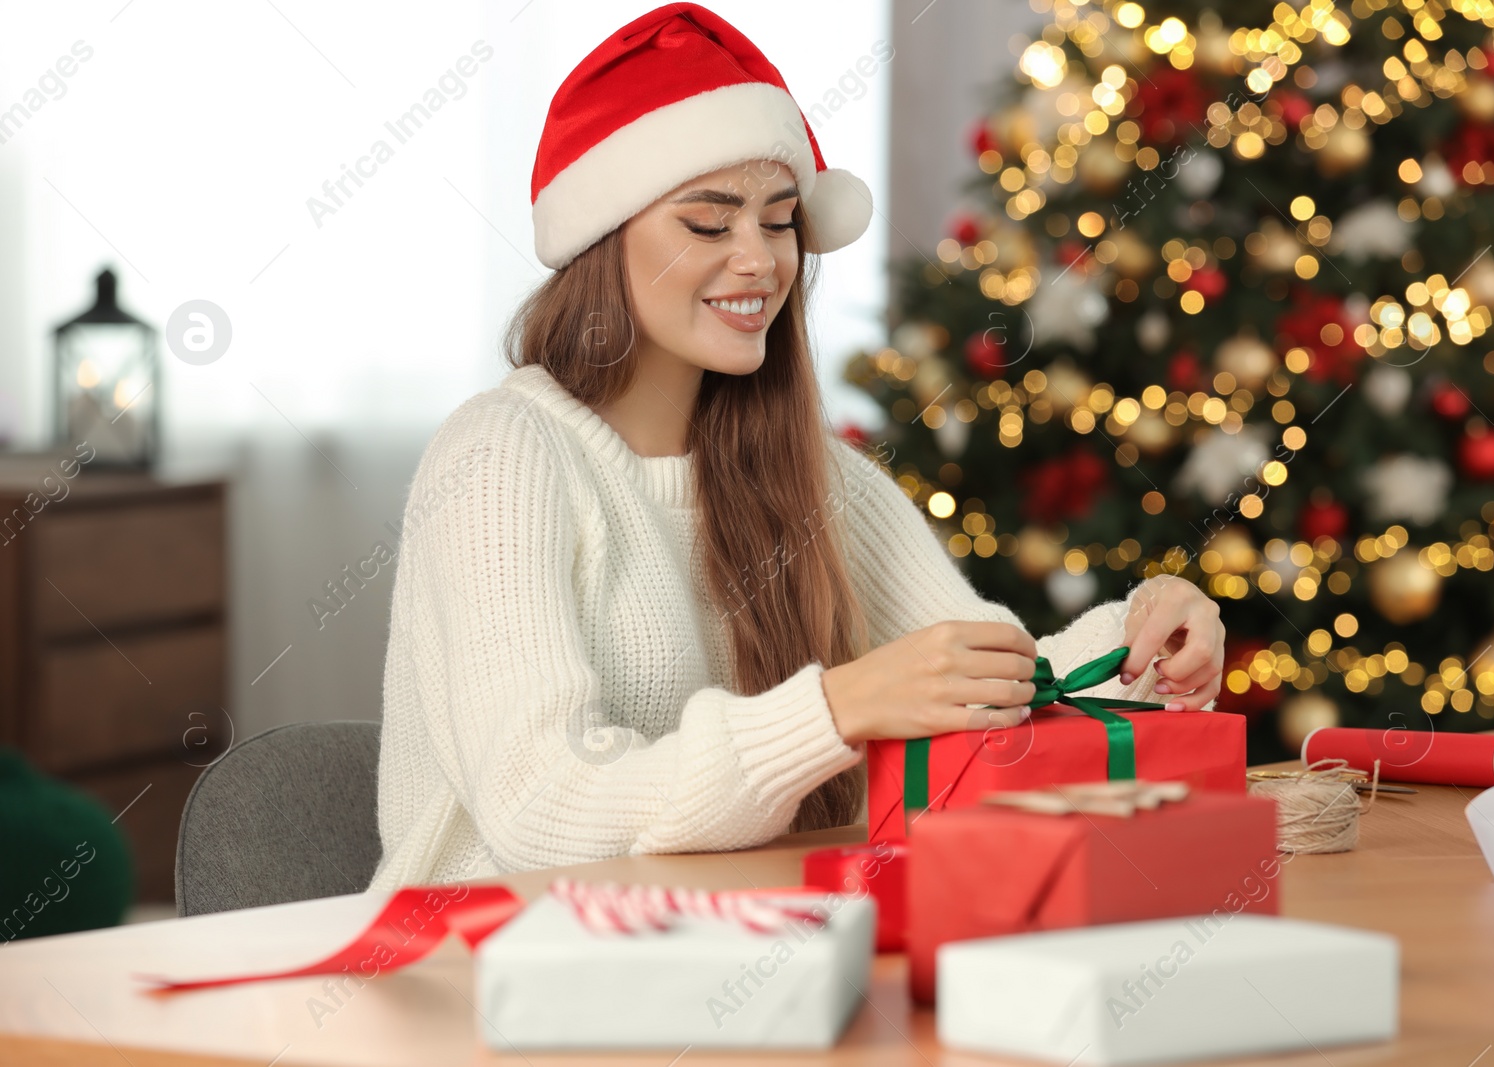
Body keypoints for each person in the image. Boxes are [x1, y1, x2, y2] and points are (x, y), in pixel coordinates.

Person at [368, 3, 1224, 893]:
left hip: (716, 951)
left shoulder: (811, 473)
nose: (760, 261)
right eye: (709, 224)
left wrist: (1142, 639)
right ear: (599, 241)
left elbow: (989, 677)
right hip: (482, 977)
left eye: (779, 222)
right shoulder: (500, 457)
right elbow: (543, 812)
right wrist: (837, 709)